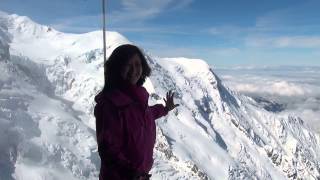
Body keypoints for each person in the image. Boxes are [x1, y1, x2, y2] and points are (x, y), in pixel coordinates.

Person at [94, 44, 179, 180]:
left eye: (138, 64)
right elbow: (108, 150)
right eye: (128, 65)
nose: (134, 70)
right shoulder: (110, 104)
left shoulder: (137, 97)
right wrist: (133, 174)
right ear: (117, 68)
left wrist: (165, 109)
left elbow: (146, 115)